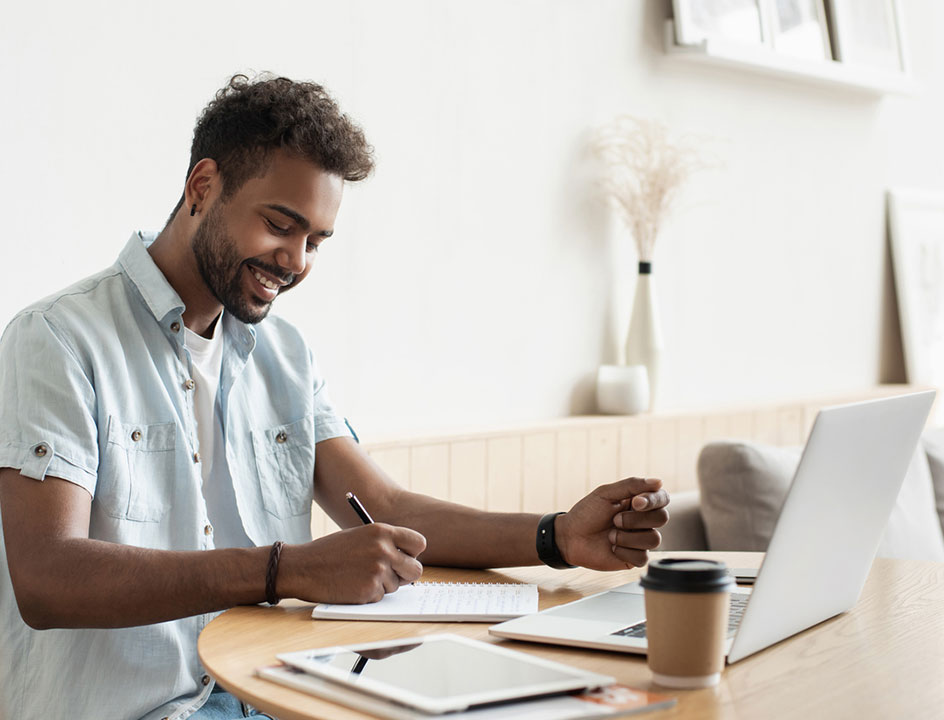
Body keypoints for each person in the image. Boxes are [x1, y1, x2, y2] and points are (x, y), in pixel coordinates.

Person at [0, 73, 670, 720]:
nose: (296, 261)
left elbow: (383, 507)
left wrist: (558, 536)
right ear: (203, 187)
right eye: (280, 225)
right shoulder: (57, 340)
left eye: (315, 241)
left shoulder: (288, 357)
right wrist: (285, 571)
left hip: (279, 696)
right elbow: (47, 576)